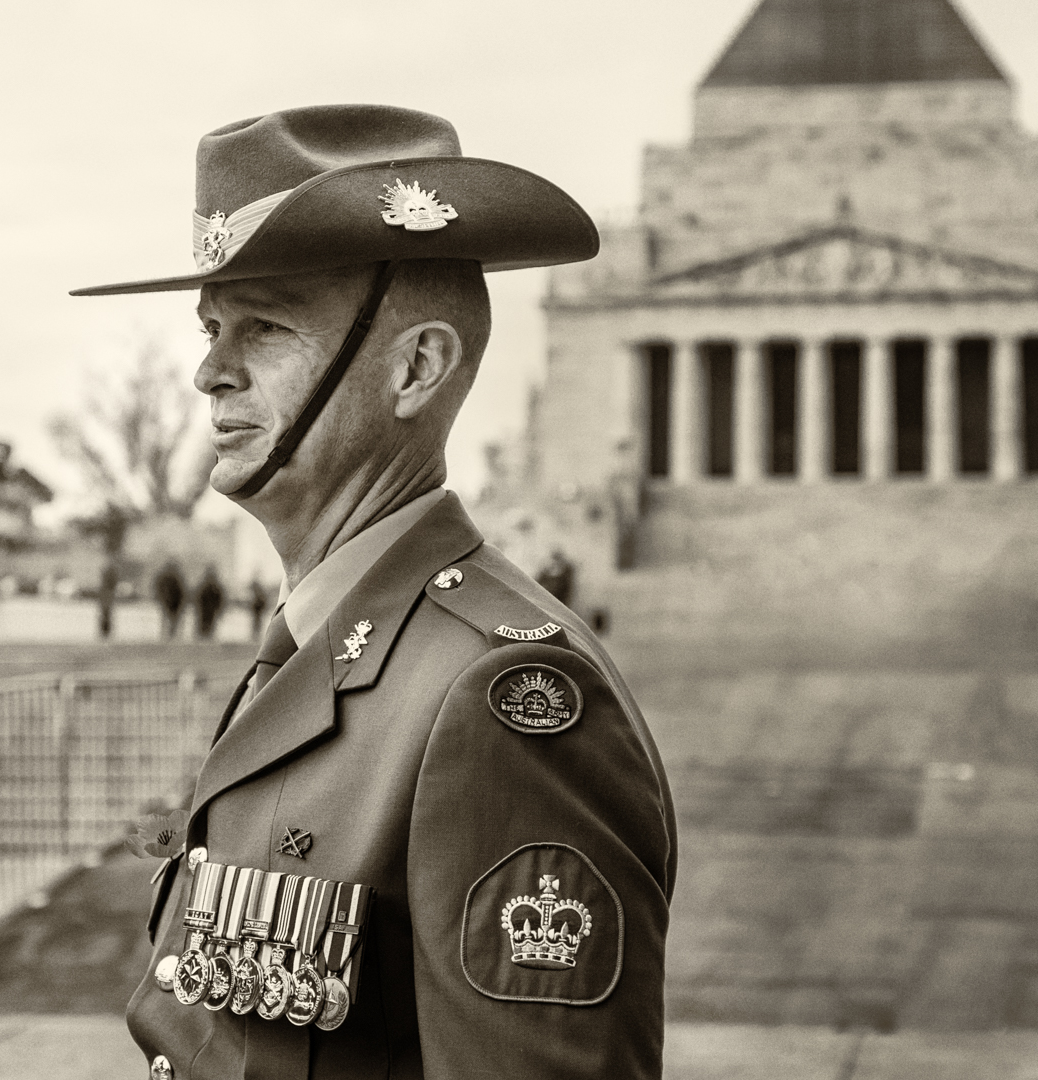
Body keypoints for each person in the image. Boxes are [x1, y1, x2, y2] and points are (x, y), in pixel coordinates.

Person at [72, 105, 675, 1078]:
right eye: (212, 327)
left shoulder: (498, 699)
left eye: (264, 328)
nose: (209, 373)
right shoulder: (322, 644)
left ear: (415, 368)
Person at [153, 561, 184, 641]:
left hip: (170, 601)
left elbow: (158, 588)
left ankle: (168, 635)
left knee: (168, 618)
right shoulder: (178, 577)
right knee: (171, 619)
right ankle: (170, 635)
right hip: (172, 602)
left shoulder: (164, 577)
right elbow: (183, 591)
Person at [194, 565, 224, 641]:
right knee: (204, 627)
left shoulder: (212, 586)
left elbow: (220, 599)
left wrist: (219, 609)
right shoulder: (208, 586)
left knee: (208, 627)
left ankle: (205, 639)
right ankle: (203, 639)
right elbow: (198, 598)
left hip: (210, 610)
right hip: (205, 610)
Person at [96, 557, 119, 641]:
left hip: (106, 597)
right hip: (107, 597)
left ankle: (105, 631)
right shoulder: (107, 586)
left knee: (106, 615)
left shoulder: (106, 585)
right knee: (106, 615)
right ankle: (105, 631)